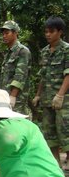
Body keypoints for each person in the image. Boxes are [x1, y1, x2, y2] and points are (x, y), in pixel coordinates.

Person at [32, 16, 69, 167]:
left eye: (51, 31)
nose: (48, 34)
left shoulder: (67, 49)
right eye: (46, 31)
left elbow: (68, 74)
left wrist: (60, 95)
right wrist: (37, 95)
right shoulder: (45, 52)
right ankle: (56, 168)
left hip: (64, 101)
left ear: (59, 32)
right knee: (50, 136)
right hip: (47, 100)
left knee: (66, 134)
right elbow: (43, 75)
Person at [0, 20, 31, 114]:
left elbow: (20, 76)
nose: (4, 36)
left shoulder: (22, 51)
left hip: (17, 99)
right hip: (5, 97)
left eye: (7, 33)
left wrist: (13, 96)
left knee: (16, 125)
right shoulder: (8, 53)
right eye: (3, 33)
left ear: (15, 33)